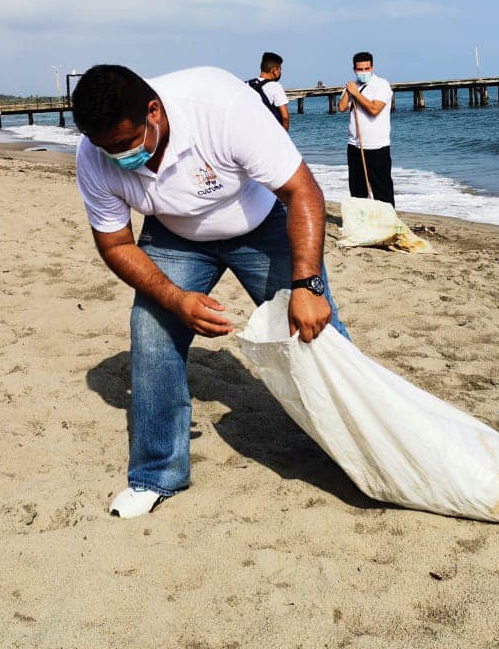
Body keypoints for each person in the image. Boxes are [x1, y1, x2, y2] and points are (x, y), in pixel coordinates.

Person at [72, 65, 348, 519]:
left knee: (318, 331)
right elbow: (116, 243)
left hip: (260, 226)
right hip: (173, 236)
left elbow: (303, 192)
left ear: (153, 112)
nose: (118, 157)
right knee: (151, 330)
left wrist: (307, 285)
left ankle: (353, 450)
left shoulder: (220, 106)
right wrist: (175, 299)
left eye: (125, 144)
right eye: (106, 149)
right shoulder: (95, 154)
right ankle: (157, 474)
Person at [338, 52, 394, 205]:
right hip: (354, 145)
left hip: (376, 146)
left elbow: (374, 109)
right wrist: (349, 92)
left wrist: (356, 94)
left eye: (366, 68)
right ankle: (362, 223)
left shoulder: (381, 85)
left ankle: (387, 222)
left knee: (382, 189)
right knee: (357, 189)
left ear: (372, 67)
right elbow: (342, 107)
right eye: (360, 69)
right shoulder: (353, 86)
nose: (363, 72)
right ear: (354, 70)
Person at [245, 51, 290, 131]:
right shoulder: (275, 86)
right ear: (274, 70)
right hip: (270, 134)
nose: (280, 72)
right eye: (280, 69)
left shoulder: (247, 84)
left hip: (251, 132)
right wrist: (284, 137)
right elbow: (285, 117)